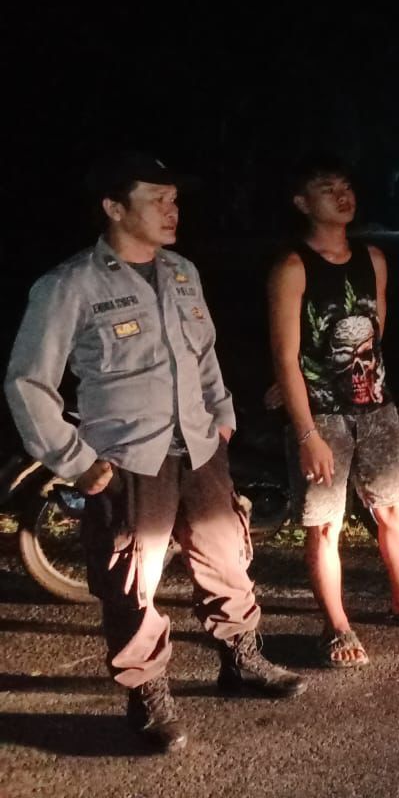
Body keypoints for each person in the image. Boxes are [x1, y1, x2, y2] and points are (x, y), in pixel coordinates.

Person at [4, 152, 305, 754]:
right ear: (114, 208)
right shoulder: (70, 285)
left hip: (200, 447)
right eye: (157, 199)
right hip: (128, 460)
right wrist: (77, 461)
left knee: (227, 556)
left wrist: (222, 417)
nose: (173, 210)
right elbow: (27, 382)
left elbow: (205, 355)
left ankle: (242, 659)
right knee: (131, 578)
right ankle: (147, 694)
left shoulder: (182, 272)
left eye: (175, 199)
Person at [267, 155, 399, 668]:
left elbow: (376, 331)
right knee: (325, 524)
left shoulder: (372, 258)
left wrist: (365, 382)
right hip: (323, 416)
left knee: (394, 508)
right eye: (327, 188)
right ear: (302, 202)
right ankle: (336, 625)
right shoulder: (292, 268)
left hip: (376, 408)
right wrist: (306, 433)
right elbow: (285, 356)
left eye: (346, 186)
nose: (342, 195)